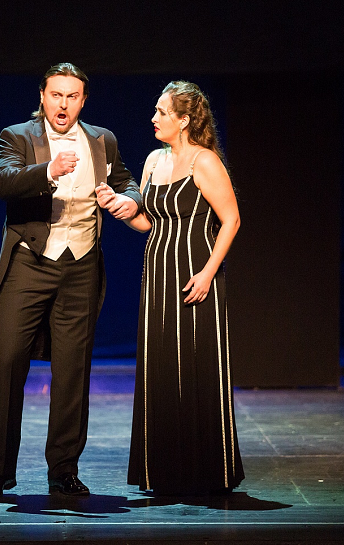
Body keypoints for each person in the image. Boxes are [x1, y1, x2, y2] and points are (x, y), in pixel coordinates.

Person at [0, 63, 142, 499]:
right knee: (9, 362)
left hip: (81, 264)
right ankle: (0, 471)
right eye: (56, 95)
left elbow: (128, 182)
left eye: (72, 96)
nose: (63, 104)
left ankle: (64, 471)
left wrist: (126, 200)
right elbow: (4, 183)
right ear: (43, 97)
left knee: (73, 371)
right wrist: (48, 170)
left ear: (83, 100)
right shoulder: (17, 136)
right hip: (29, 263)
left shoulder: (102, 140)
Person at [97, 80, 244, 495]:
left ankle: (206, 471)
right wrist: (117, 206)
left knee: (196, 365)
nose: (154, 118)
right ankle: (164, 470)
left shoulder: (204, 161)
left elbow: (231, 220)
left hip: (195, 275)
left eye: (162, 112)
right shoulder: (154, 160)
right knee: (161, 366)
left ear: (183, 120)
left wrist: (208, 273)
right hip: (159, 274)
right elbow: (148, 221)